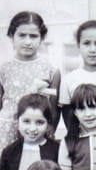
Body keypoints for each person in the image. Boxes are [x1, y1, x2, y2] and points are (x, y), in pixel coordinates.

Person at [0, 11, 60, 151]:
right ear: (12, 36)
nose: (27, 42)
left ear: (42, 38)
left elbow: (54, 112)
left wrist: (47, 134)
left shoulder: (51, 70)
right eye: (22, 35)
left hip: (37, 132)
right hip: (6, 132)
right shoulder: (3, 69)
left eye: (33, 36)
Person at [58, 20, 96, 137]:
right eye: (86, 43)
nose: (92, 49)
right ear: (78, 46)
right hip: (80, 142)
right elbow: (68, 118)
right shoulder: (69, 80)